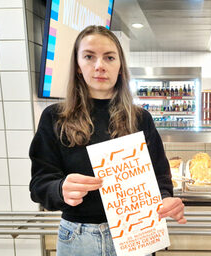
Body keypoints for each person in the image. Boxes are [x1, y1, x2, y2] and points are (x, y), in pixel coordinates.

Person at [29, 25, 186, 256]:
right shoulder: (54, 117)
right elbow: (39, 185)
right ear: (78, 66)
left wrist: (164, 200)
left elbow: (160, 177)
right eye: (89, 56)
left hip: (136, 233)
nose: (100, 65)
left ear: (120, 66)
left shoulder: (141, 119)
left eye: (109, 57)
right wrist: (59, 189)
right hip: (78, 238)